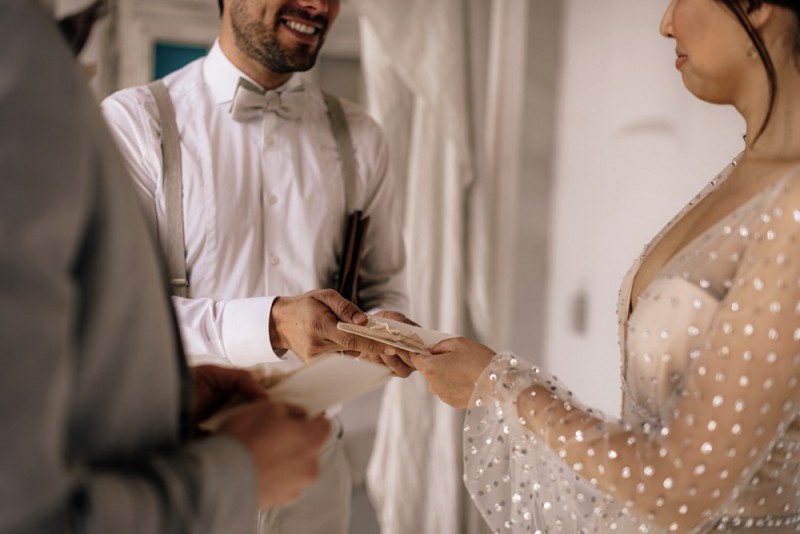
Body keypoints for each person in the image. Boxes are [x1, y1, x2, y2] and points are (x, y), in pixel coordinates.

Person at [410, 0, 800, 532]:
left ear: (756, 7)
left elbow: (678, 489)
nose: (666, 24)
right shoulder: (746, 171)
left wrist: (498, 384)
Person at [0, 0, 336, 532]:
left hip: (309, 464)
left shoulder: (359, 137)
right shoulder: (41, 70)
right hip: (178, 483)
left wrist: (175, 396)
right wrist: (235, 476)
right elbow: (28, 511)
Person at [100, 0, 413, 532]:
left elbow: (383, 285)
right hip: (180, 465)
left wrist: (386, 330)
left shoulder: (362, 137)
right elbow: (116, 316)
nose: (318, 6)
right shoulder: (135, 122)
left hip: (316, 465)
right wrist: (271, 323)